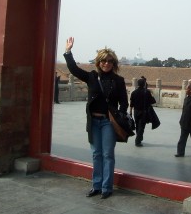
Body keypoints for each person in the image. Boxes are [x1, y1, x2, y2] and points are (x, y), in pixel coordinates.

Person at [63, 36, 128, 199]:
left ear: (114, 64)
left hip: (108, 123)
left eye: (110, 61)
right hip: (93, 121)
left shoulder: (118, 81)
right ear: (98, 62)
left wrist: (118, 116)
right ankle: (96, 185)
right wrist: (68, 51)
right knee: (96, 154)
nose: (106, 64)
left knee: (107, 154)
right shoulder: (92, 77)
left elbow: (124, 103)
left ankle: (107, 187)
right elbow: (74, 69)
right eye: (103, 61)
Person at [129, 76, 156, 147]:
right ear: (144, 84)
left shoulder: (134, 92)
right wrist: (151, 95)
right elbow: (153, 101)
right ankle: (138, 141)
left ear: (137, 84)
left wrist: (130, 112)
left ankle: (139, 138)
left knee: (138, 125)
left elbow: (131, 104)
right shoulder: (147, 92)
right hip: (143, 112)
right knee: (141, 126)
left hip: (136, 112)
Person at [175, 80, 191, 157]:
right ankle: (180, 152)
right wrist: (181, 120)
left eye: (187, 89)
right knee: (182, 139)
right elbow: (184, 111)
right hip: (184, 122)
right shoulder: (186, 99)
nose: (186, 90)